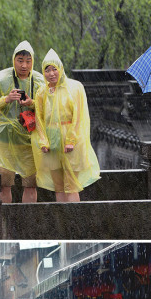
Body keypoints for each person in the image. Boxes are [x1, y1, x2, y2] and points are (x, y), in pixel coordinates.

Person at [33, 50, 100, 204]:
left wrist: (71, 139)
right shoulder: (42, 92)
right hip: (52, 141)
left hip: (72, 141)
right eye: (47, 70)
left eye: (54, 69)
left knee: (71, 185)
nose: (51, 74)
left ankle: (73, 222)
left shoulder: (75, 87)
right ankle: (61, 223)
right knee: (59, 186)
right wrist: (43, 141)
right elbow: (39, 118)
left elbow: (79, 116)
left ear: (61, 68)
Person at [0, 40, 42, 206]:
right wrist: (6, 99)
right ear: (13, 60)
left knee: (31, 185)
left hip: (29, 138)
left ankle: (28, 223)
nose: (24, 65)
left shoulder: (39, 80)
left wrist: (31, 103)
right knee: (4, 184)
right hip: (5, 140)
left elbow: (49, 108)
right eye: (20, 60)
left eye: (28, 61)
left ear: (33, 61)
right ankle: (4, 223)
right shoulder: (1, 78)